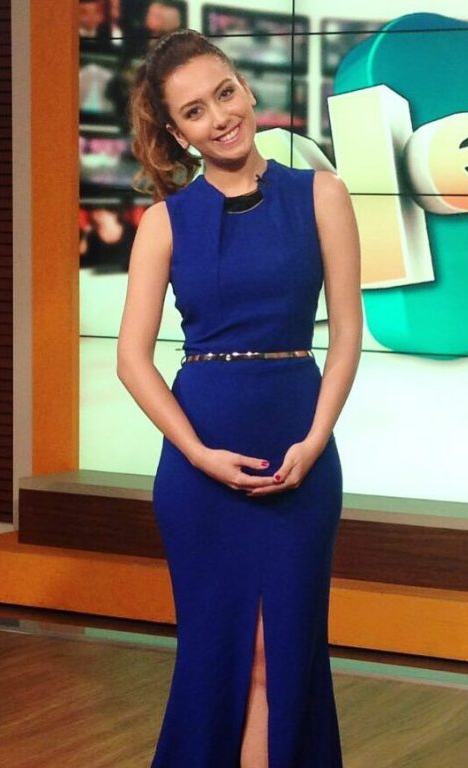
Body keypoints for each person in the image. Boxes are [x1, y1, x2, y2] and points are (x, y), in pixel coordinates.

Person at [117, 28, 362, 768]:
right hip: (200, 469)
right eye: (194, 111)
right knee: (221, 655)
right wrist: (196, 454)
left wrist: (315, 440)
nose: (220, 117)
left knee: (277, 657)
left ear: (247, 91)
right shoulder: (164, 222)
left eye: (225, 94)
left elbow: (348, 334)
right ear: (177, 133)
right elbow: (132, 360)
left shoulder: (322, 195)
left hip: (298, 451)